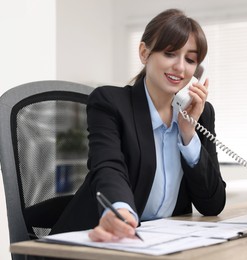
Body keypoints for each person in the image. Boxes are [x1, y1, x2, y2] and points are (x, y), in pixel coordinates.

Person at [51, 8, 226, 241]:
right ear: (144, 53)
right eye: (170, 53)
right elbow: (108, 167)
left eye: (190, 59)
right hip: (95, 239)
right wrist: (120, 211)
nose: (180, 68)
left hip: (161, 244)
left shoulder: (200, 113)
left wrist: (188, 133)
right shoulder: (111, 103)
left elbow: (212, 204)